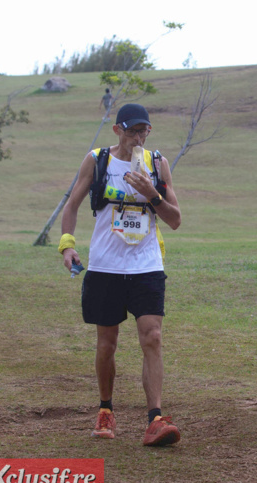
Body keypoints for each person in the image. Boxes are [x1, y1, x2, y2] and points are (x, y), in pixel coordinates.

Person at [59, 103, 183, 446]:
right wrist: (67, 245)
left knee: (152, 336)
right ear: (117, 131)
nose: (138, 138)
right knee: (107, 343)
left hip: (146, 265)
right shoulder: (98, 160)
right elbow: (71, 205)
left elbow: (174, 220)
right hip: (105, 267)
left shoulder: (158, 164)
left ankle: (155, 419)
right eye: (131, 131)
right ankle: (106, 408)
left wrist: (151, 193)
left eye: (143, 131)